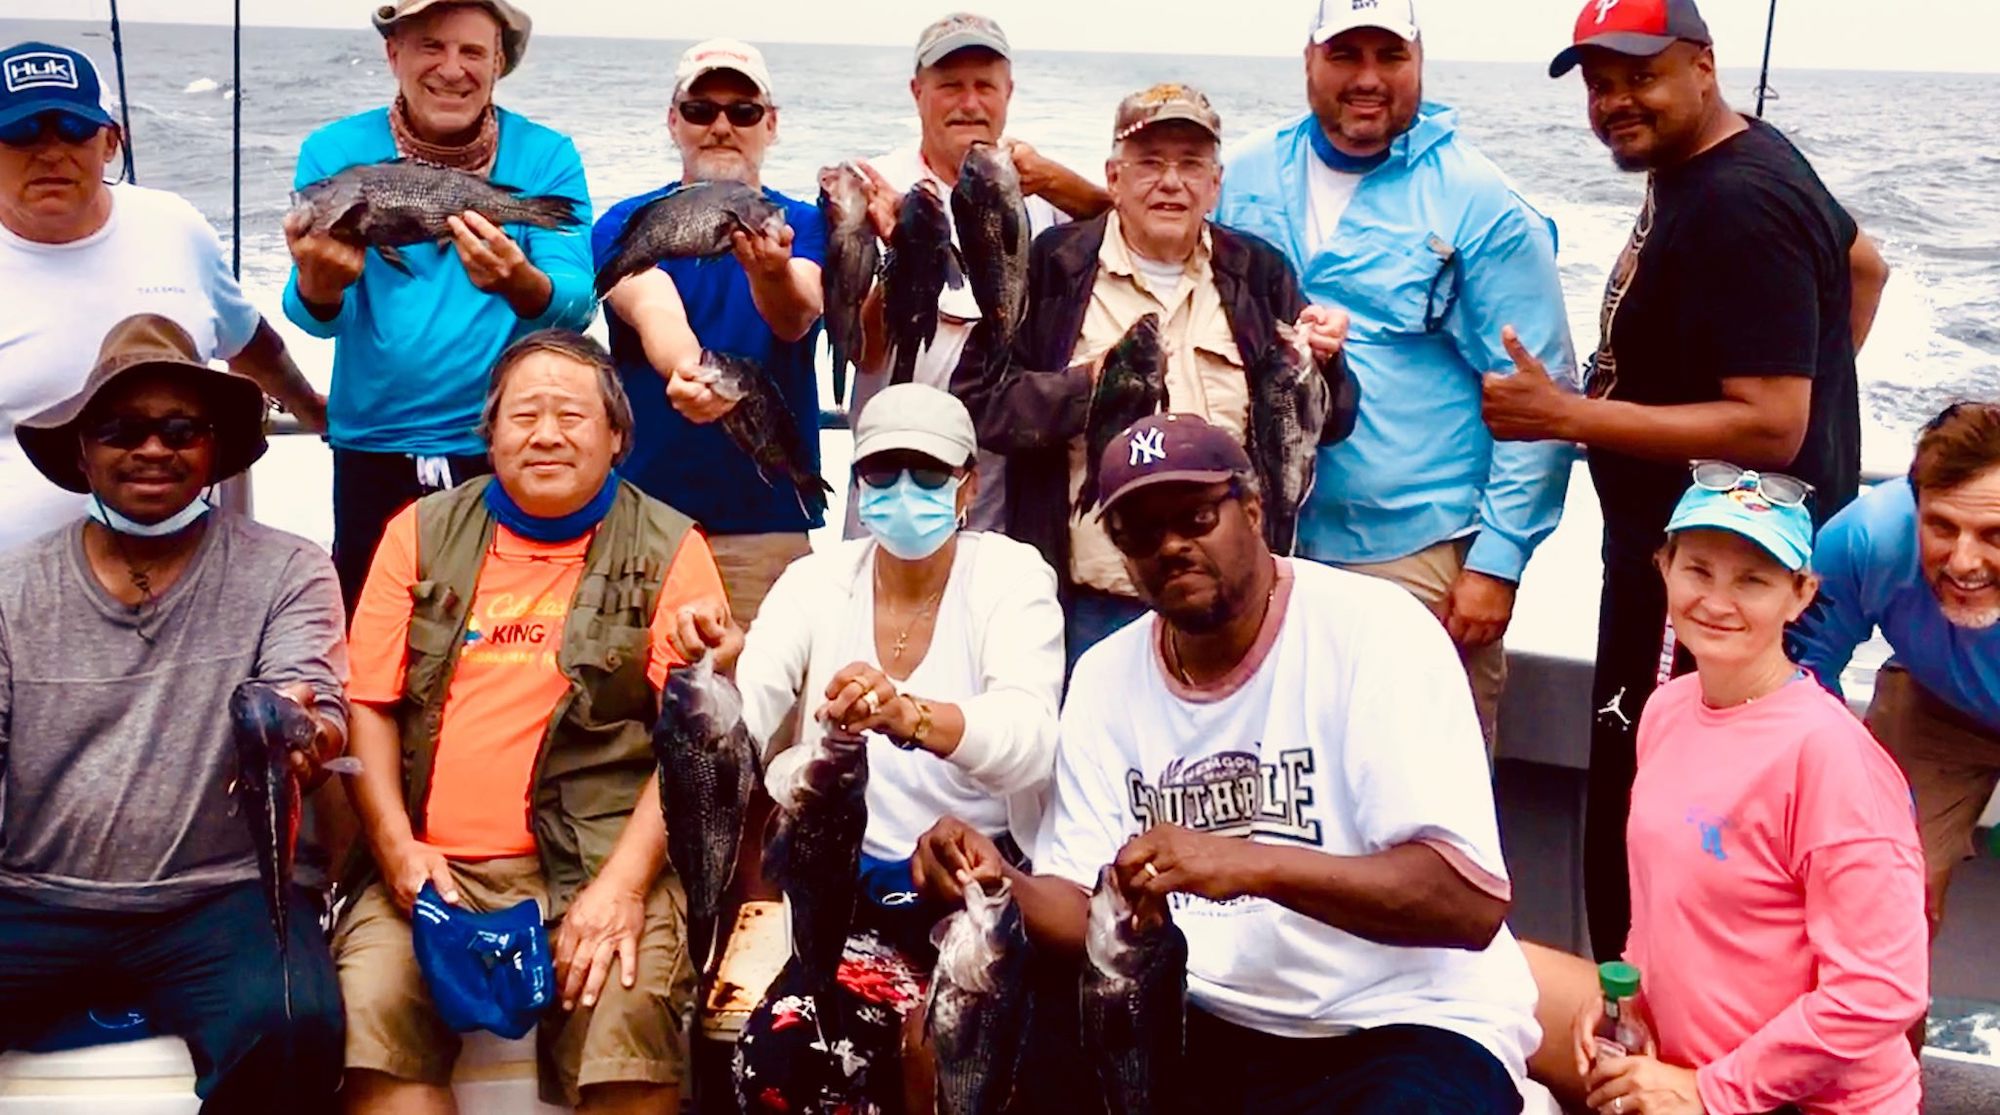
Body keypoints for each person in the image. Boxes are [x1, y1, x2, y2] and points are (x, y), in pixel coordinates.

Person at [918, 414, 1541, 1113]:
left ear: (1252, 509)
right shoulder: (1103, 676)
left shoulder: (1377, 631)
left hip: (1399, 1022)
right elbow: (1082, 903)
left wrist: (1249, 864)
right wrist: (999, 883)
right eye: (1139, 533)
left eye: (1196, 517)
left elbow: (1468, 904)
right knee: (997, 1042)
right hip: (1196, 1012)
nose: (1171, 546)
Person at [1482, 0, 1893, 959]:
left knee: (1650, 819)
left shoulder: (1737, 202)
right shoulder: (1729, 159)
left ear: (1703, 66)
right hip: (1698, 559)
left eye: (1642, 75)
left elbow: (1772, 424)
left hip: (1701, 581)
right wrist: (1819, 382)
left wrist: (1565, 417)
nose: (1616, 102)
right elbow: (1864, 267)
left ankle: (1639, 1028)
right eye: (1599, 84)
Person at [335, 331, 733, 1113]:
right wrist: (396, 850)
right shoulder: (416, 531)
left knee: (629, 1021)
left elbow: (695, 750)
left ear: (617, 436)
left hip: (602, 863)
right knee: (371, 1011)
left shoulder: (672, 545)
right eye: (523, 416)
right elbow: (368, 703)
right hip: (434, 867)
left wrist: (622, 886)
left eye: (572, 416)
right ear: (489, 435)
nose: (546, 434)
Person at [0, 314, 347, 1112]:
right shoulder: (12, 587)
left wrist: (307, 733)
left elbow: (313, 699)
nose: (153, 448)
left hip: (226, 895)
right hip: (37, 894)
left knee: (293, 1023)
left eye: (181, 430)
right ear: (81, 452)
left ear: (214, 449)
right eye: (122, 430)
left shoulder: (290, 568)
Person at [1214, 0, 1577, 752]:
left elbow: (1542, 400)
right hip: (1262, 547)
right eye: (1345, 55)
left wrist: (1498, 564)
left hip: (1415, 554)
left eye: (1390, 56)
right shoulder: (1241, 172)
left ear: (1421, 60)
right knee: (1278, 780)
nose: (1368, 79)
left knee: (1421, 783)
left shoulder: (1480, 201)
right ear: (1308, 59)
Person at [729, 383, 1063, 1113]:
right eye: (882, 472)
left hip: (981, 893)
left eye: (929, 473)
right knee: (776, 1065)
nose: (904, 490)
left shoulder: (1010, 575)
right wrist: (710, 683)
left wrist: (909, 716)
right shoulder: (816, 580)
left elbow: (1029, 739)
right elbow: (751, 705)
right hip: (847, 895)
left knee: (955, 1061)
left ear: (969, 484)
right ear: (857, 481)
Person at [1563, 468, 1927, 1115]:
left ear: (1801, 593)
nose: (1717, 600)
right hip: (1683, 1073)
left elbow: (1882, 991)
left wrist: (1712, 1091)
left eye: (1752, 580)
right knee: (1495, 982)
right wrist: (1628, 991)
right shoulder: (1667, 709)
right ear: (1663, 567)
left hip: (1806, 1102)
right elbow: (1665, 903)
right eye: (1698, 570)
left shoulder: (1830, 757)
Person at [961, 82, 1356, 667]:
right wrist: (1089, 387)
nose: (1171, 182)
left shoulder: (1259, 272)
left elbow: (1333, 421)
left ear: (1215, 185)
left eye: (1191, 164)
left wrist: (1327, 363)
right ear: (1114, 178)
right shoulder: (1054, 265)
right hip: (1088, 606)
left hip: (1233, 605)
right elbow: (979, 404)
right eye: (1149, 163)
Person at [284, 0, 595, 612]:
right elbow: (319, 320)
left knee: (501, 632)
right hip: (373, 445)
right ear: (393, 53)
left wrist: (519, 283)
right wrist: (320, 286)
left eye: (472, 51)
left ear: (499, 62)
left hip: (503, 444)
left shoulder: (546, 156)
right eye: (431, 46)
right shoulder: (334, 153)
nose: (452, 68)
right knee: (375, 628)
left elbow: (575, 306)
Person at [1, 39, 324, 553]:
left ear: (112, 142)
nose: (51, 152)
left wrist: (313, 409)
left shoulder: (174, 225)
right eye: (20, 132)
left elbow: (247, 339)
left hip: (186, 569)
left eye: (75, 129)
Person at [850, 11, 1111, 532]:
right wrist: (902, 255)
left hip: (1011, 489)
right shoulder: (873, 188)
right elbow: (863, 352)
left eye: (984, 86)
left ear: (1008, 93)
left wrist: (1057, 182)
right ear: (917, 92)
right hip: (896, 486)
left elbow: (1133, 231)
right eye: (950, 85)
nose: (969, 103)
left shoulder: (1036, 188)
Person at [595, 39, 827, 623]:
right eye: (700, 110)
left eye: (743, 112)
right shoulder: (628, 222)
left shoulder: (805, 224)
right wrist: (690, 371)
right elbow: (650, 302)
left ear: (771, 125)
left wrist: (770, 272)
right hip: (643, 522)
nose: (721, 127)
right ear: (673, 121)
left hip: (768, 526)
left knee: (764, 682)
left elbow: (797, 313)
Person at [1795, 403, 2000, 965]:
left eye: (1995, 535)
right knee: (1879, 899)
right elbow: (1802, 676)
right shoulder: (1870, 537)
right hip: (1940, 698)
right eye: (1942, 527)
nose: (1964, 562)